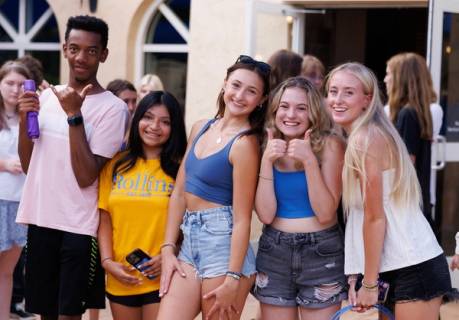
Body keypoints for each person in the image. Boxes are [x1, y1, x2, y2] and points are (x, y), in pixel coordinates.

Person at [16, 15, 128, 319]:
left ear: (103, 54)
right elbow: (29, 165)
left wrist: (74, 115)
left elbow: (86, 175)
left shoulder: (113, 109)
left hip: (79, 228)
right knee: (44, 314)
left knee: (68, 316)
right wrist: (27, 118)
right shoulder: (47, 97)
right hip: (41, 221)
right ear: (65, 48)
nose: (82, 57)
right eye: (75, 48)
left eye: (92, 51)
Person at [326, 62, 452, 319]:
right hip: (390, 265)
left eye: (348, 92)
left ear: (367, 99)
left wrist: (369, 283)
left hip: (413, 265)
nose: (338, 99)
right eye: (333, 91)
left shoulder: (365, 139)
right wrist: (358, 275)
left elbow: (375, 217)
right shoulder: (363, 135)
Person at [156, 55, 270, 320]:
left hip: (223, 247)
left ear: (261, 100)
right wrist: (167, 247)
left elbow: (243, 219)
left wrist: (233, 277)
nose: (240, 95)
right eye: (236, 85)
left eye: (251, 91)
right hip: (189, 243)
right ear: (224, 84)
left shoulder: (244, 145)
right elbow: (179, 194)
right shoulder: (200, 127)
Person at [253, 76, 346, 320]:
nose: (291, 114)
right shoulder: (265, 145)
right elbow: (265, 214)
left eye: (301, 108)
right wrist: (266, 161)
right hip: (274, 250)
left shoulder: (330, 144)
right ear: (274, 110)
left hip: (322, 252)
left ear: (313, 113)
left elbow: (326, 213)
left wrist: (308, 161)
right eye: (284, 106)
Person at [98, 91, 187, 320]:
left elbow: (188, 223)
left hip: (163, 274)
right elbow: (105, 218)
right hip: (121, 274)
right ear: (137, 119)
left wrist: (171, 254)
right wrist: (107, 262)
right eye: (148, 117)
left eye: (165, 122)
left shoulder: (181, 169)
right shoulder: (116, 164)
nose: (154, 126)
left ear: (174, 127)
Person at [384, 52, 435, 230]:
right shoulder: (418, 111)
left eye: (389, 73)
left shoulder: (407, 114)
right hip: (417, 201)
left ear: (401, 79)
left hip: (407, 205)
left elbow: (407, 164)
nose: (385, 79)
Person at [0, 61, 31, 320]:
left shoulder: (31, 117)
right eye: (9, 82)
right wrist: (3, 164)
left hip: (20, 203)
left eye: (21, 84)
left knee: (7, 271)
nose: (15, 89)